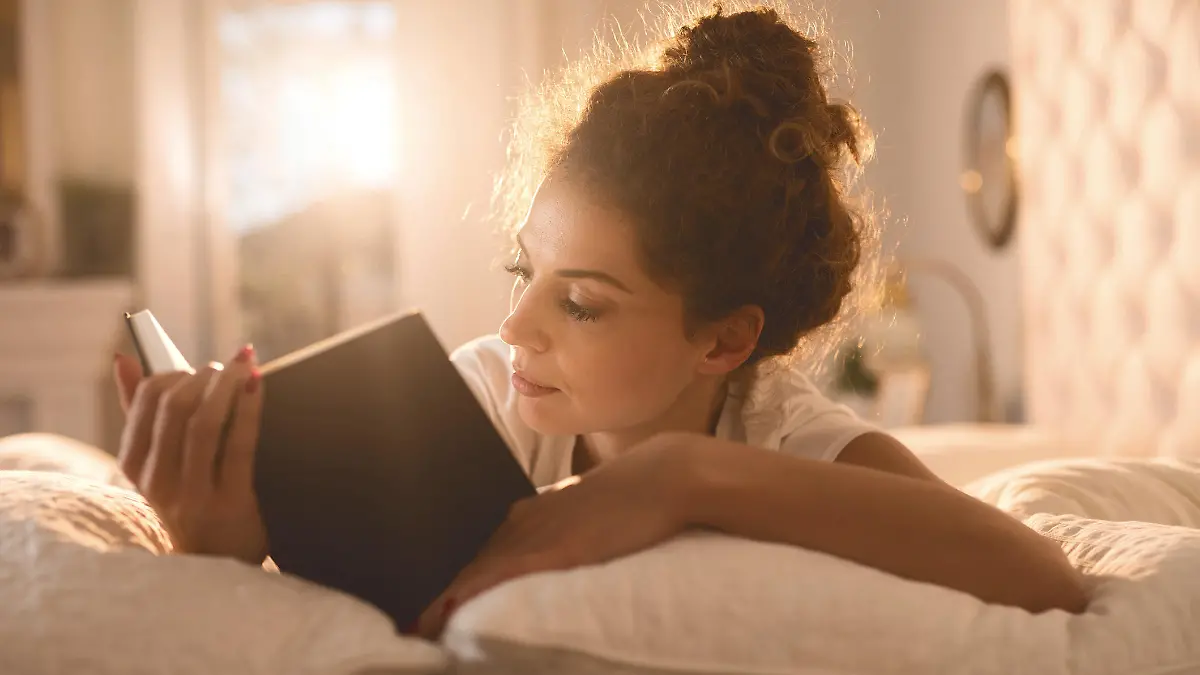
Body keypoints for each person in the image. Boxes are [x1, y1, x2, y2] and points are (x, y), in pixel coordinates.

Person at [112, 3, 1088, 640]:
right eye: (522, 270)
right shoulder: (489, 394)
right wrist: (227, 545)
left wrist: (681, 476)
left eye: (580, 302)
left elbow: (1045, 577)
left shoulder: (780, 433)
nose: (517, 323)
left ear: (724, 342)